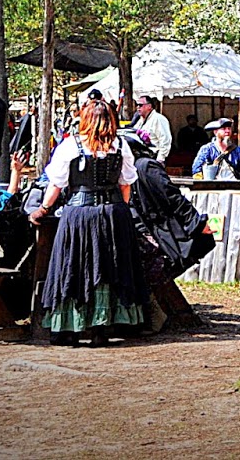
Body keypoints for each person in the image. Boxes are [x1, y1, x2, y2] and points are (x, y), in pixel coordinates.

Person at [29, 100, 149, 345]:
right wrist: (121, 209)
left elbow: (56, 184)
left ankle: (70, 330)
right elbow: (125, 184)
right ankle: (100, 331)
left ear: (84, 119)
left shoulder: (69, 146)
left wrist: (43, 209)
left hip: (79, 214)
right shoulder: (121, 145)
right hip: (113, 213)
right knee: (107, 268)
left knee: (74, 267)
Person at [122, 131, 214, 282]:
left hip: (156, 229)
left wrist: (197, 223)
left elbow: (172, 196)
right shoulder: (132, 169)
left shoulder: (144, 166)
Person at [190, 115, 240, 189]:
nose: (227, 131)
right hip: (213, 188)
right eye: (223, 129)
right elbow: (197, 169)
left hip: (234, 187)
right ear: (215, 132)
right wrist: (201, 187)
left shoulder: (239, 151)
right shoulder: (207, 149)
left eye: (229, 128)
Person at [133, 95, 173, 163]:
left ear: (149, 106)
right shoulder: (140, 121)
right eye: (137, 105)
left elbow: (165, 140)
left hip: (154, 158)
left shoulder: (158, 119)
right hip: (142, 158)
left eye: (140, 105)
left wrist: (160, 159)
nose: (138, 107)